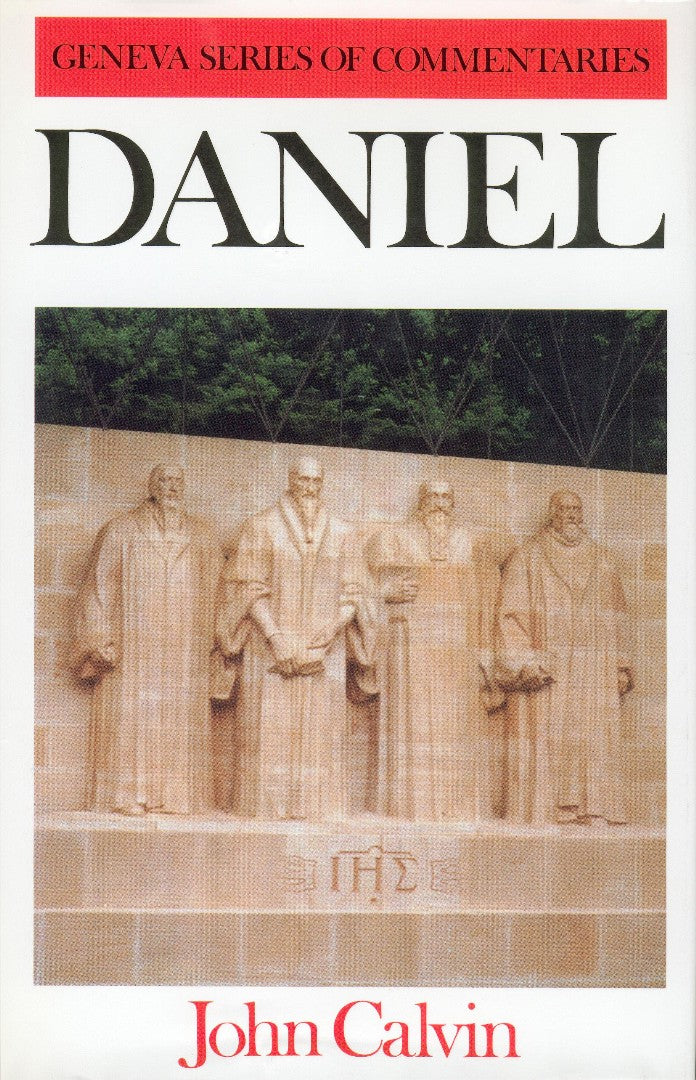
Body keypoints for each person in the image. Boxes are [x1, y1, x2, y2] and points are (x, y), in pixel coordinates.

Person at [214, 456, 374, 821]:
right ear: (291, 481)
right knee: (269, 734)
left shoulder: (343, 532)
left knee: (322, 734)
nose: (309, 488)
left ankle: (318, 807)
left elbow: (356, 592)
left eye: (316, 481)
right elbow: (248, 587)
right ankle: (266, 809)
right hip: (269, 647)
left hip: (325, 651)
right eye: (303, 480)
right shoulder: (261, 526)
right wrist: (275, 636)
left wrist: (333, 629)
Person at [71, 465, 222, 815]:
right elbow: (98, 586)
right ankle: (128, 795)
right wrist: (99, 635)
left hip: (185, 644)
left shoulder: (202, 535)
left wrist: (218, 645)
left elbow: (219, 591)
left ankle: (177, 796)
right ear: (152, 487)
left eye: (178, 481)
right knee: (133, 715)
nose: (172, 488)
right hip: (133, 643)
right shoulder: (121, 530)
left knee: (179, 716)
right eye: (165, 481)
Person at [495, 490, 634, 825]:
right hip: (550, 664)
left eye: (576, 509)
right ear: (552, 513)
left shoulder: (603, 559)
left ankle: (592, 808)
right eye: (565, 509)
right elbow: (509, 615)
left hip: (594, 665)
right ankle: (550, 809)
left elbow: (618, 615)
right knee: (549, 735)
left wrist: (621, 665)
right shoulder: (529, 556)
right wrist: (524, 662)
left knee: (592, 737)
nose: (571, 514)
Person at [367, 480, 501, 821]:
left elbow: (489, 600)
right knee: (411, 725)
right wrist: (386, 592)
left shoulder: (472, 542)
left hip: (460, 651)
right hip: (410, 648)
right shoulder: (395, 539)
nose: (439, 503)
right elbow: (366, 587)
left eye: (446, 497)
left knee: (459, 729)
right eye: (433, 497)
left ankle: (459, 809)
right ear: (422, 501)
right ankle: (410, 806)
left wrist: (486, 653)